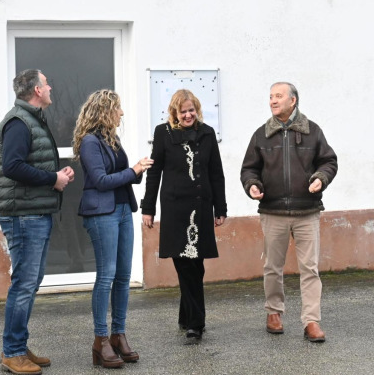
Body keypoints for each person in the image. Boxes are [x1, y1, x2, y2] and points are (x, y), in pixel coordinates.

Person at [239, 82, 338, 343]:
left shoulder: (312, 131)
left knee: (310, 268)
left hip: (307, 211)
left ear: (292, 101)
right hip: (273, 212)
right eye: (270, 96)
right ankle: (274, 313)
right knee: (273, 267)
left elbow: (328, 161)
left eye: (278, 96)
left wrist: (320, 178)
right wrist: (252, 185)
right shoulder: (262, 134)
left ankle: (311, 321)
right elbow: (249, 169)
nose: (272, 100)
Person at [0, 69, 75, 375]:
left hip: (34, 212)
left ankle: (17, 345)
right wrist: (52, 179)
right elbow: (13, 166)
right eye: (46, 83)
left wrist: (56, 176)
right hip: (23, 215)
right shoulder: (19, 122)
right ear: (36, 91)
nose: (51, 87)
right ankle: (12, 352)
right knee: (25, 284)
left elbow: (26, 164)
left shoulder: (31, 120)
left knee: (30, 281)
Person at [74, 89, 153, 368]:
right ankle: (100, 340)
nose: (121, 113)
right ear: (105, 110)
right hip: (101, 213)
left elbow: (122, 176)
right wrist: (132, 171)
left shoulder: (113, 139)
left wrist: (139, 170)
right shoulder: (89, 142)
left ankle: (119, 335)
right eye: (118, 109)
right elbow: (99, 179)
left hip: (121, 210)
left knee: (123, 276)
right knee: (106, 275)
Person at [141, 89, 227, 341]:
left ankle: (189, 318)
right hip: (175, 209)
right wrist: (148, 208)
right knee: (183, 263)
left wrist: (220, 208)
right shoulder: (163, 133)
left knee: (195, 265)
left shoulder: (207, 133)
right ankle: (194, 321)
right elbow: (154, 173)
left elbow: (216, 174)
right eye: (183, 111)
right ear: (174, 112)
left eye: (192, 110)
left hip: (200, 208)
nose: (188, 115)